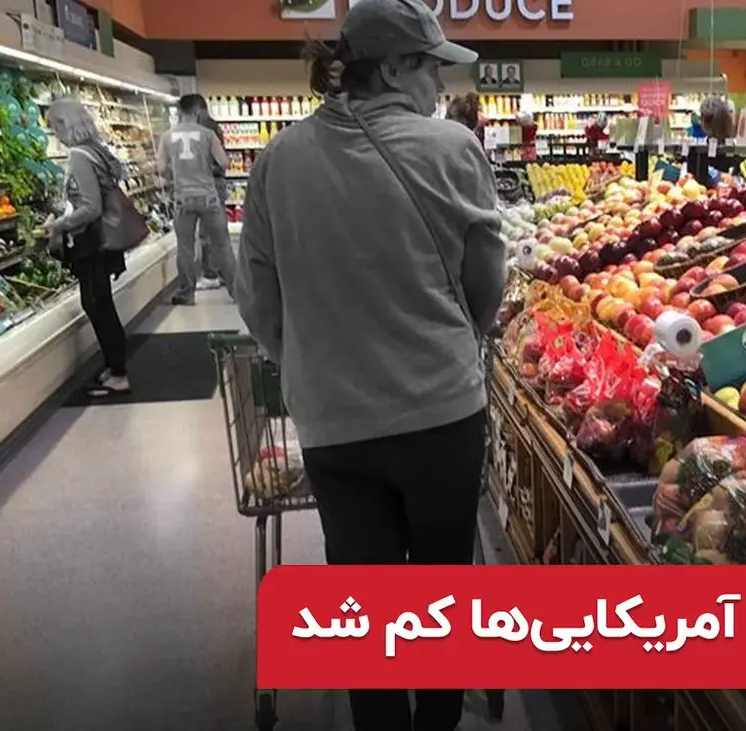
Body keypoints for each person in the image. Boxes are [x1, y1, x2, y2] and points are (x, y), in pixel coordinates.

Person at [234, 0, 504, 728]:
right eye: (431, 69)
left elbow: (257, 294)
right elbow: (487, 278)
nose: (440, 87)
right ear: (391, 68)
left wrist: (308, 364)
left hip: (334, 424)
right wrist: (458, 341)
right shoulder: (452, 149)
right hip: (442, 413)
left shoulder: (277, 161)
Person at [43, 98, 131, 398]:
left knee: (97, 305)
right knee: (101, 303)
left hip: (92, 243)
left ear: (63, 124)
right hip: (104, 241)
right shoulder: (97, 149)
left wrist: (59, 225)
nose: (54, 133)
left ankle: (118, 374)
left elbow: (91, 207)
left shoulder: (79, 155)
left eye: (54, 126)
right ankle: (113, 367)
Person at [157, 94, 236, 306]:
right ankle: (237, 291)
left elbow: (161, 168)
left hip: (182, 198)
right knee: (222, 245)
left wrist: (176, 175)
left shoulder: (167, 137)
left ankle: (186, 293)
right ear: (197, 112)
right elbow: (224, 162)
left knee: (185, 248)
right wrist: (206, 167)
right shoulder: (208, 134)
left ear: (180, 112)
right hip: (208, 197)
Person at [195, 105, 230, 289]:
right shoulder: (213, 127)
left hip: (209, 185)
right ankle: (225, 274)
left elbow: (218, 163)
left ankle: (211, 274)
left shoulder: (204, 129)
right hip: (216, 184)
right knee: (219, 232)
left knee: (208, 233)